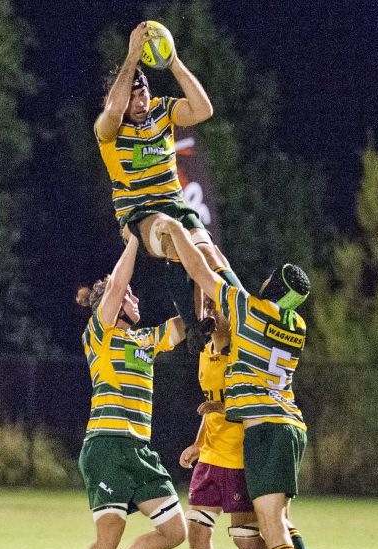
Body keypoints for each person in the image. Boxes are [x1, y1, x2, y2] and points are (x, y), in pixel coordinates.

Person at [167, 224, 329, 549]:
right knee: (276, 522)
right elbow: (230, 279)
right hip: (290, 424)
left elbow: (205, 275)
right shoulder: (295, 325)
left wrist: (183, 236)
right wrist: (211, 245)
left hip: (265, 429)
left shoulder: (249, 311)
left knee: (271, 524)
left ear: (270, 286)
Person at [96, 21, 240, 350]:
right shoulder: (108, 131)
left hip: (175, 204)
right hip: (140, 216)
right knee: (173, 231)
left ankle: (233, 322)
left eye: (142, 91)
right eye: (131, 96)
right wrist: (132, 56)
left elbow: (204, 109)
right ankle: (194, 325)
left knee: (211, 253)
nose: (140, 101)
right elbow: (114, 109)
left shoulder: (162, 110)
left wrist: (172, 60)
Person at [66, 234, 187, 549]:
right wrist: (136, 236)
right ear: (110, 305)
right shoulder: (99, 335)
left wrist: (199, 275)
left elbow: (187, 325)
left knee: (174, 530)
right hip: (107, 447)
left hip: (139, 451)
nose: (134, 299)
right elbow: (117, 285)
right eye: (128, 296)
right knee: (110, 533)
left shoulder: (144, 340)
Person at [178, 297, 271, 549]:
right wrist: (198, 443)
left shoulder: (244, 353)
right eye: (207, 308)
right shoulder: (206, 352)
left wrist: (220, 409)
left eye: (217, 308)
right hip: (212, 455)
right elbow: (211, 402)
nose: (211, 314)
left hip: (240, 457)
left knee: (247, 541)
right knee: (197, 530)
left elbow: (258, 403)